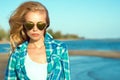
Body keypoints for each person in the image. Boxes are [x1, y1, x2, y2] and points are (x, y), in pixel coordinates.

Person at [5, 1, 70, 80]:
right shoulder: (16, 54)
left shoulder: (60, 48)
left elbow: (67, 77)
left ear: (46, 25)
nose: (35, 29)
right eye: (30, 25)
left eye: (40, 25)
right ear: (24, 26)